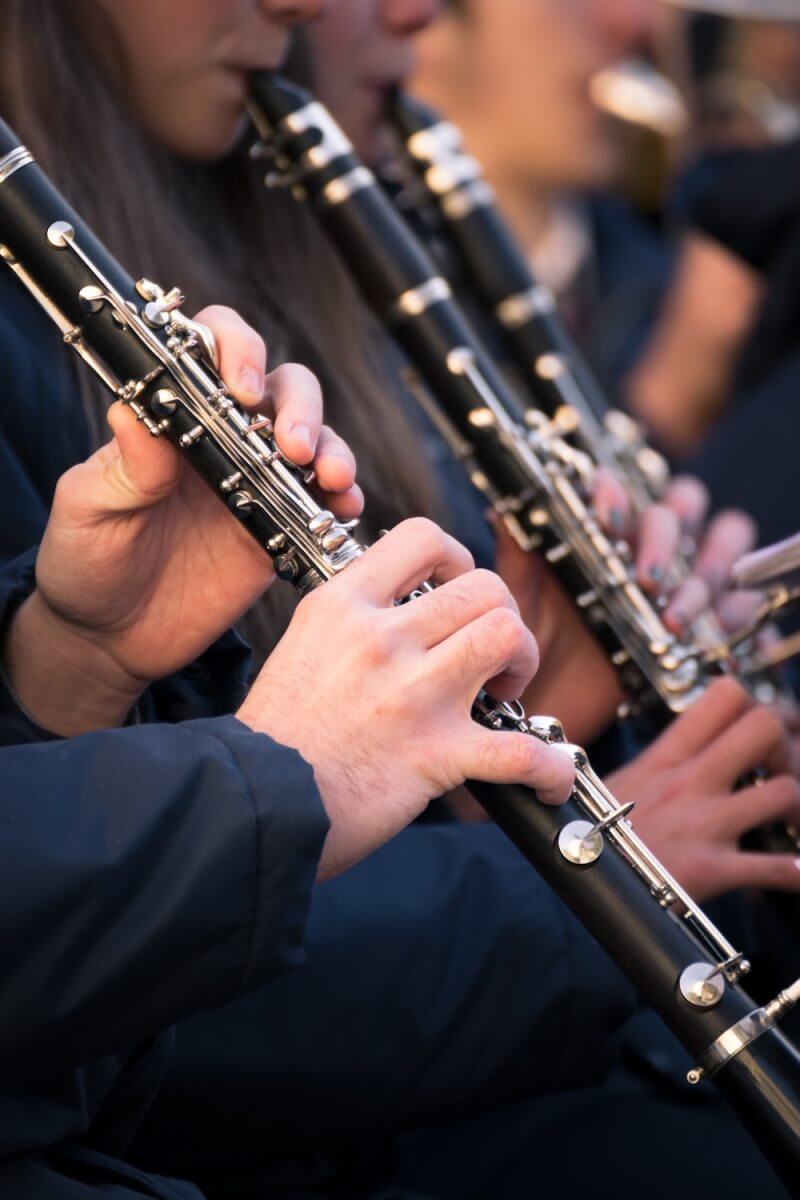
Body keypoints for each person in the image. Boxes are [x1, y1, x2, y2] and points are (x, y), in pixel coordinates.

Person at [0, 1, 795, 1197]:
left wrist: (534, 741)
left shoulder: (258, 272)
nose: (338, 7)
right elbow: (176, 1034)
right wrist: (569, 895)